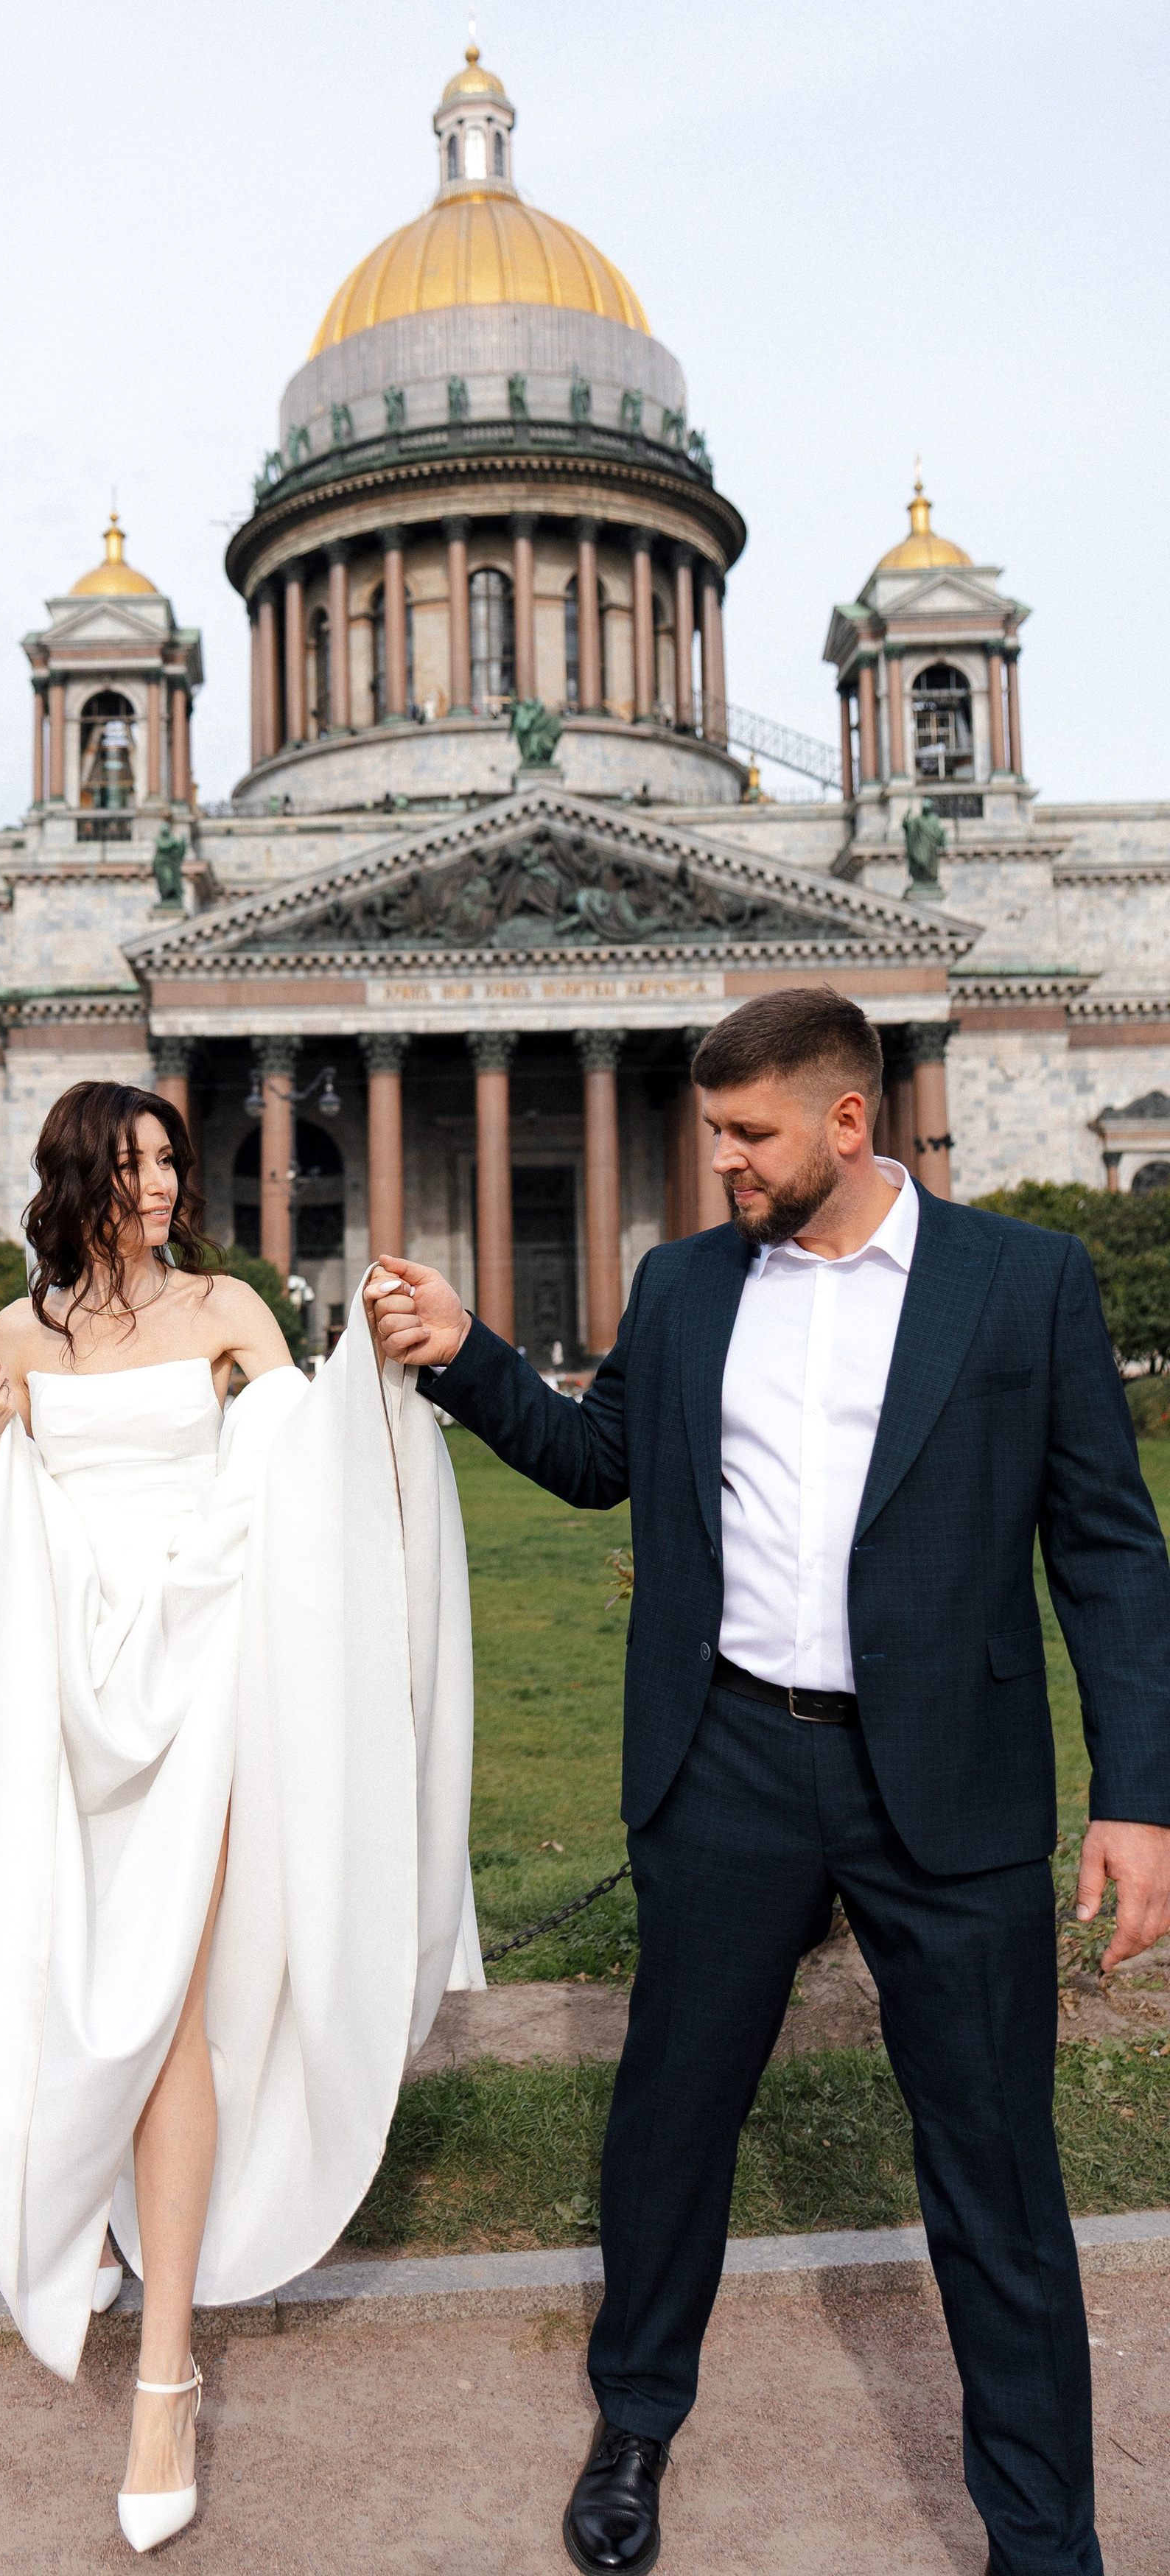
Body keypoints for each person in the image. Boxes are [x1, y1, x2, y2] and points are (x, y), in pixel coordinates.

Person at [370, 987, 1170, 2576]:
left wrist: (1136, 1797)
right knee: (670, 2121)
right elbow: (601, 1465)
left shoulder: (1021, 1284)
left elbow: (1105, 1551)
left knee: (994, 2172)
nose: (720, 1160)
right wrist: (464, 1356)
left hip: (944, 1785)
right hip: (725, 1759)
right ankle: (633, 2418)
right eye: (710, 1133)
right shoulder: (680, 1288)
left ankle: (1040, 2536)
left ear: (845, 1122)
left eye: (745, 1134)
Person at [0, 1078, 481, 2555]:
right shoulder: (15, 1338)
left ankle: (164, 2375)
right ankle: (90, 2237)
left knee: (166, 2013)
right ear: (74, 1176)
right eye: (127, 1165)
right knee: (81, 2000)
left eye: (165, 1162)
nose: (153, 1186)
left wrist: (377, 1375)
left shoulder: (229, 1311)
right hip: (62, 1704)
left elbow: (312, 1472)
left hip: (199, 1693)